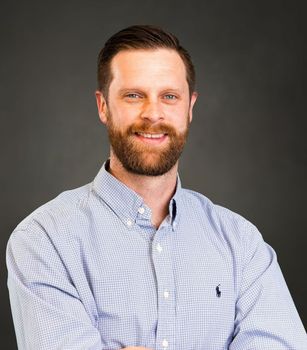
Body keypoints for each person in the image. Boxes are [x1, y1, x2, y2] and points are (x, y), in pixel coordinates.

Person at [6, 25, 307, 350]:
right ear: (103, 106)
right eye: (134, 95)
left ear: (189, 107)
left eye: (169, 97)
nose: (153, 114)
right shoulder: (44, 241)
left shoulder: (242, 244)